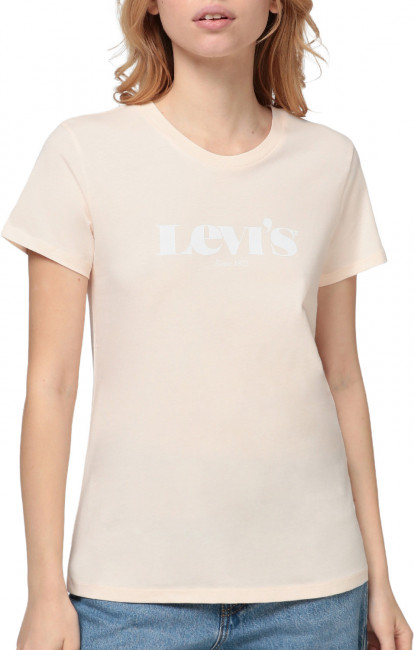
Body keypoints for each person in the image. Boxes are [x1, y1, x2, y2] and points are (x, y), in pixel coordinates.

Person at [2, 0, 412, 648]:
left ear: (275, 3)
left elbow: (342, 377)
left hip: (316, 597)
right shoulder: (83, 153)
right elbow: (50, 386)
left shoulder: (329, 161)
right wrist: (44, 592)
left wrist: (382, 580)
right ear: (152, 4)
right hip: (130, 600)